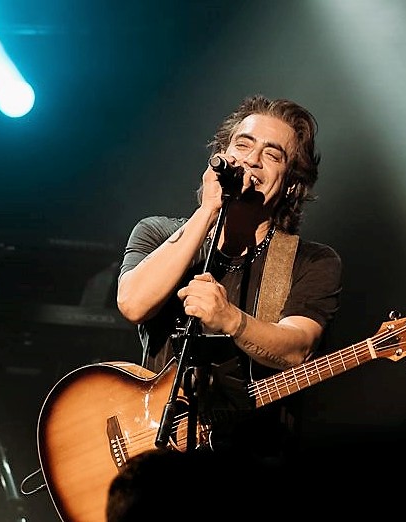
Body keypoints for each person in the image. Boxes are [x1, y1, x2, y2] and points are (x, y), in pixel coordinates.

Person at [116, 94, 343, 466]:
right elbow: (133, 304)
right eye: (243, 145)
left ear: (290, 184)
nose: (252, 160)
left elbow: (298, 349)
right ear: (219, 157)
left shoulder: (312, 261)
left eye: (272, 155)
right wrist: (208, 209)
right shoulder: (157, 234)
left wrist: (231, 321)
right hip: (153, 455)